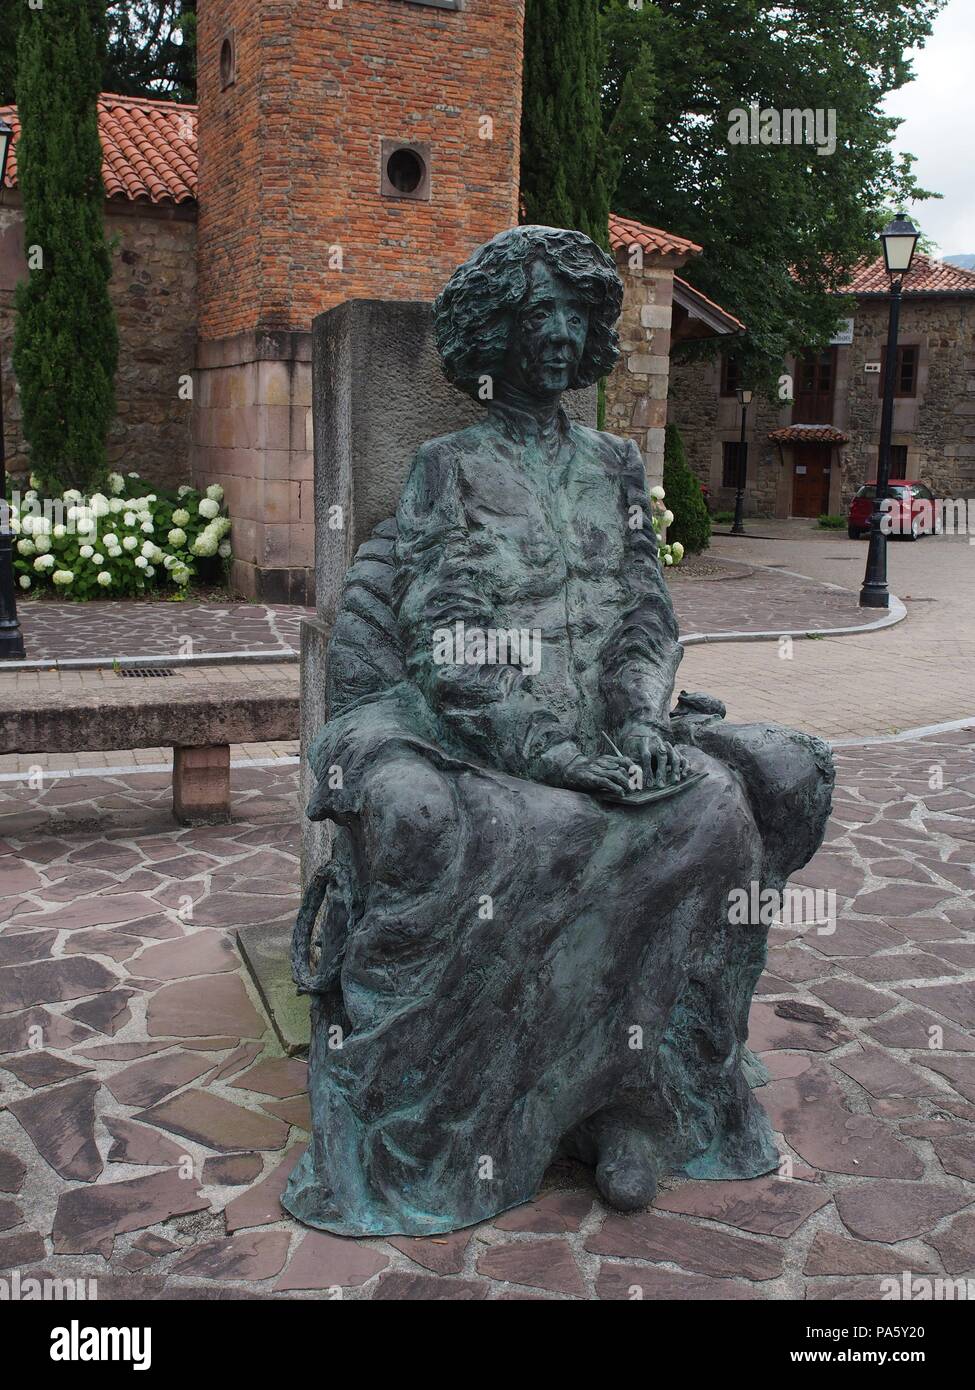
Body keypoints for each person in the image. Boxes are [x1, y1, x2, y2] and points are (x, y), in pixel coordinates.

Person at [283, 226, 834, 1238]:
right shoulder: (445, 468)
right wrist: (553, 749)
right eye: (532, 315)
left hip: (604, 730)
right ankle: (477, 1124)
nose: (554, 332)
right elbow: (448, 635)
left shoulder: (617, 466)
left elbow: (643, 614)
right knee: (535, 836)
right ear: (492, 339)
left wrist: (632, 717)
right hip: (481, 738)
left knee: (712, 814)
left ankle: (641, 1100)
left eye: (572, 315)